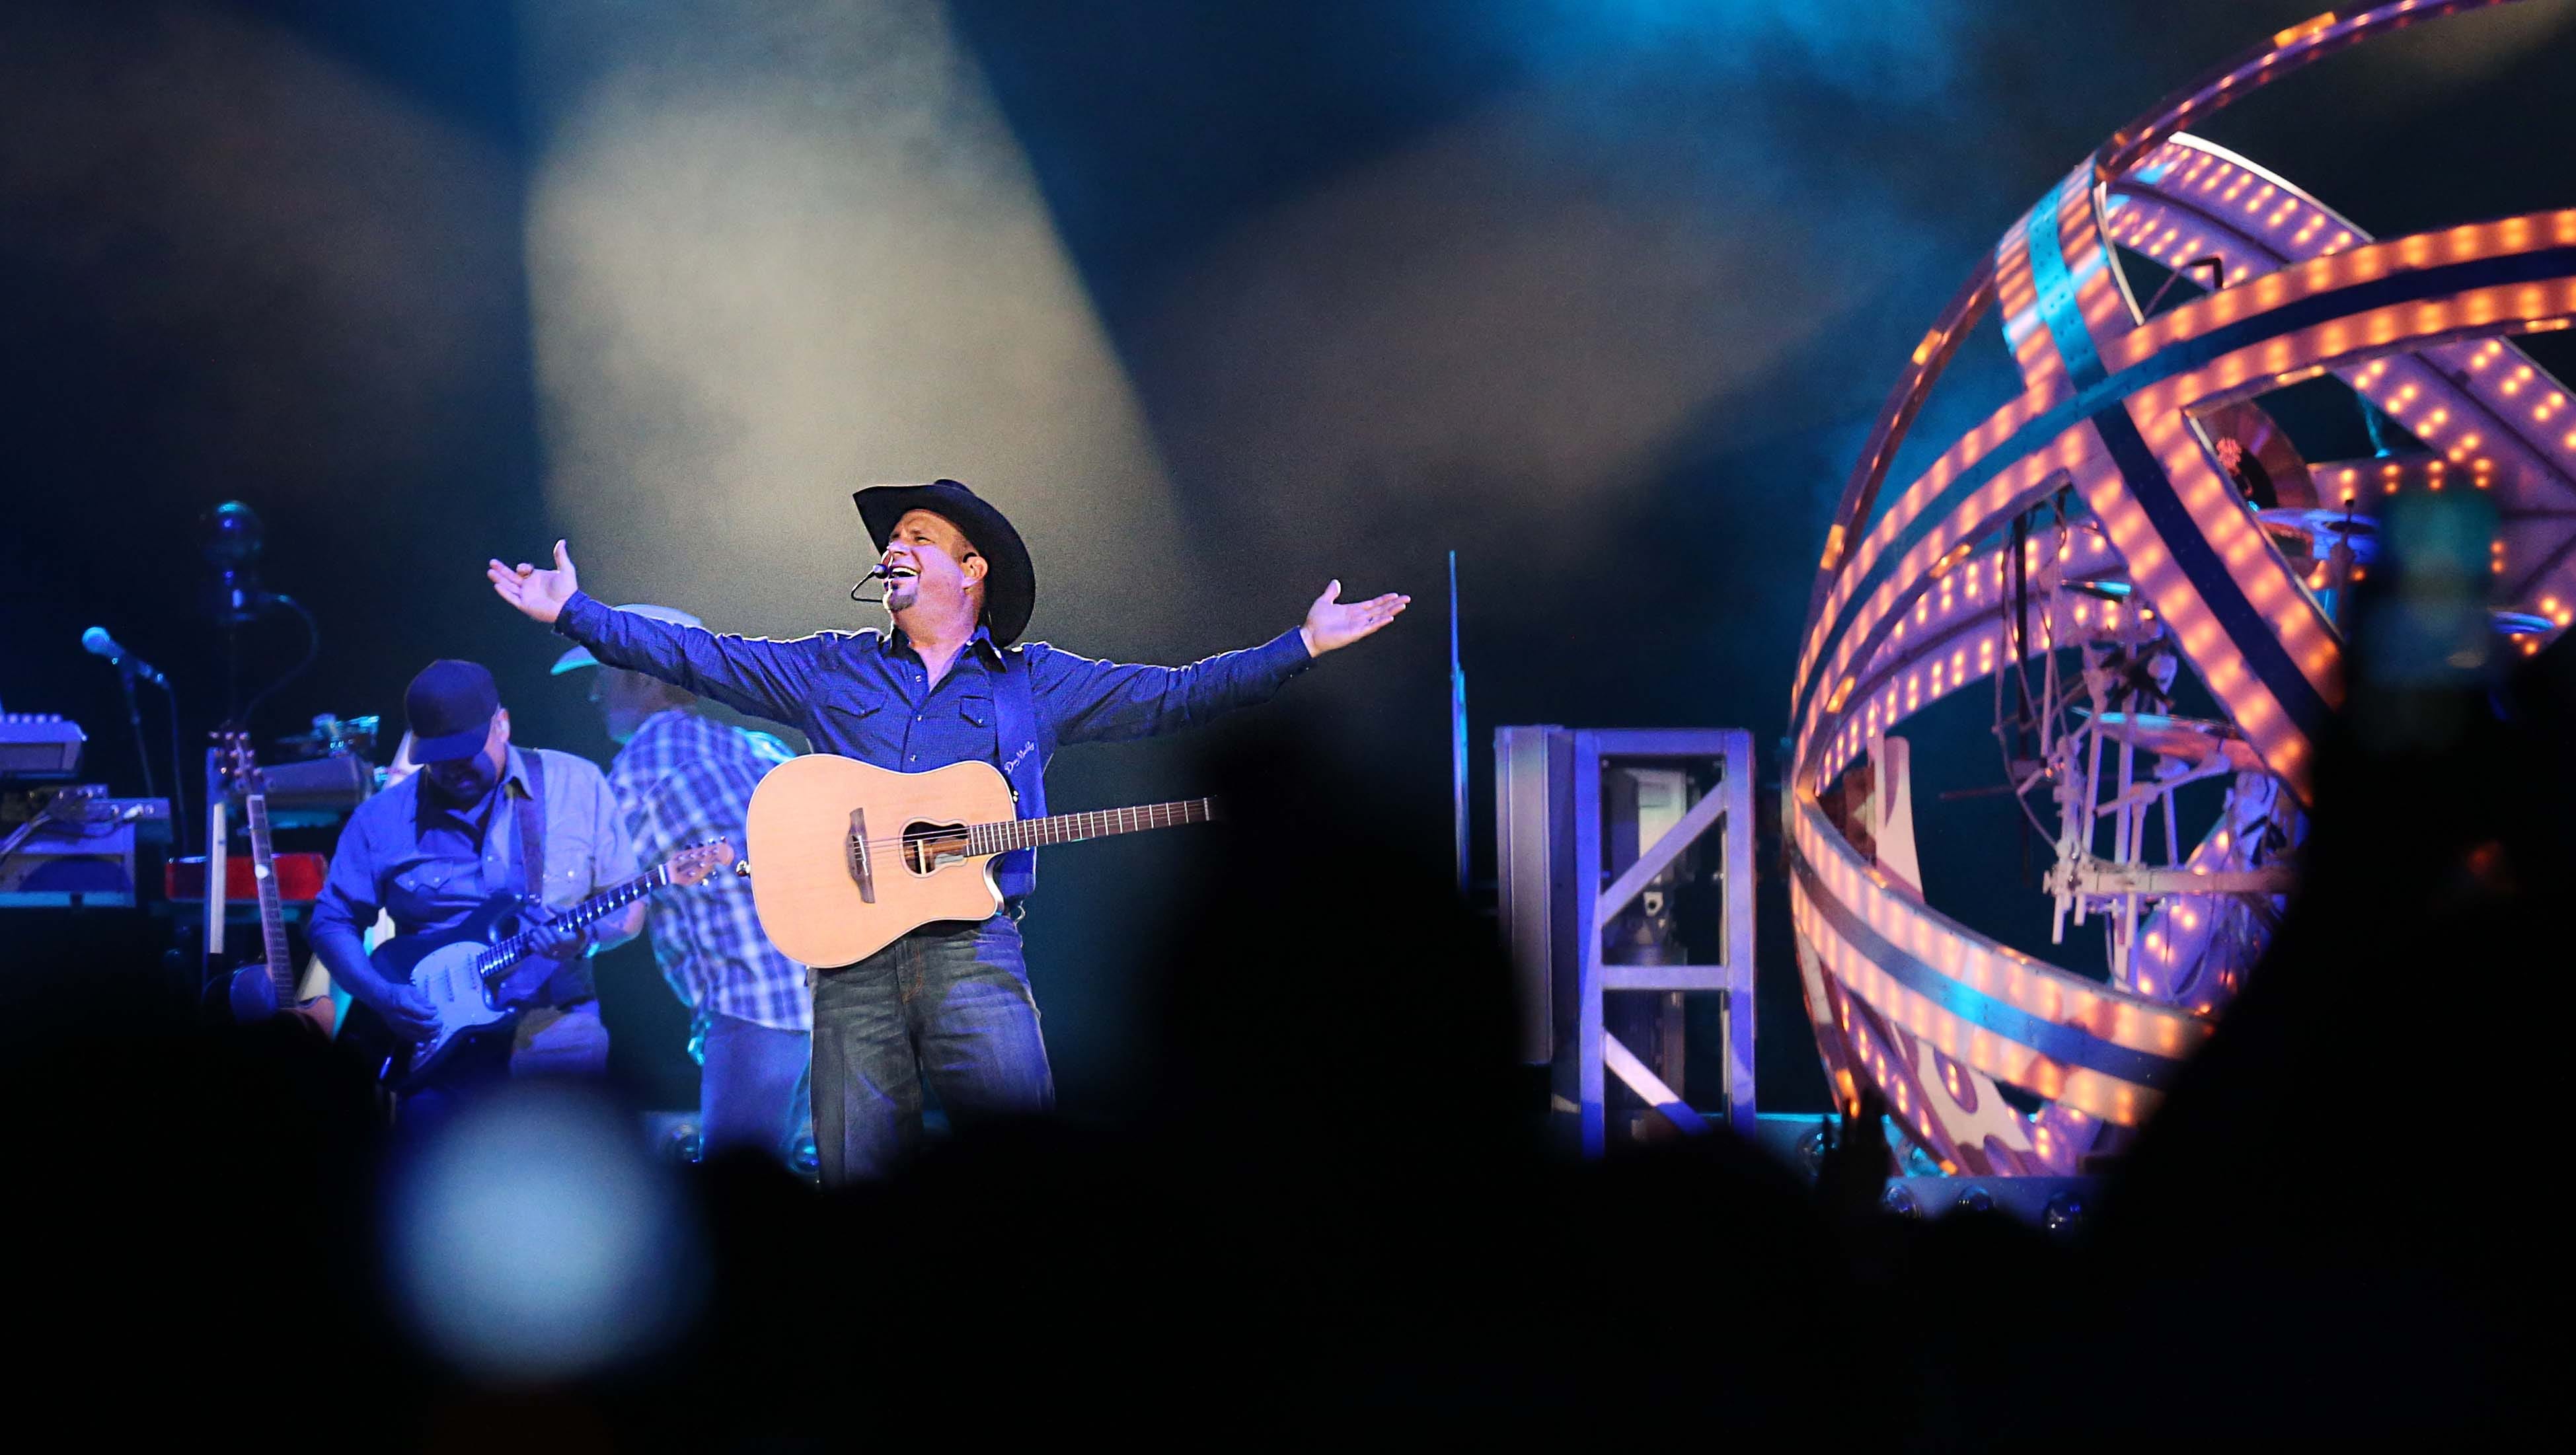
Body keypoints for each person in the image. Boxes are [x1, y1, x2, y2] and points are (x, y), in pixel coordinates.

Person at [486, 478, 1407, 1181]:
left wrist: (1302, 646)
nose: (894, 547)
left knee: (1023, 1173)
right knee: (861, 1182)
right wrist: (572, 611)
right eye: (890, 539)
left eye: (916, 537)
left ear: (972, 570)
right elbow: (700, 654)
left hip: (975, 953)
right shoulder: (829, 669)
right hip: (847, 966)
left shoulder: (1030, 682)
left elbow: (1173, 695)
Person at [308, 659, 644, 1119]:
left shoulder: (576, 784)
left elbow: (629, 905)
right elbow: (332, 920)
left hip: (555, 1031)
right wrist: (380, 996)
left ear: (501, 724)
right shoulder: (381, 819)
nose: (452, 768)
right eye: (437, 755)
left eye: (465, 750)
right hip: (433, 1044)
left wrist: (582, 939)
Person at [555, 611, 813, 1165]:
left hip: (754, 1009)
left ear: (645, 677)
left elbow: (597, 897)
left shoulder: (641, 767)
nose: (595, 698)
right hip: (835, 998)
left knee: (736, 1202)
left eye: (601, 679)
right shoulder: (760, 749)